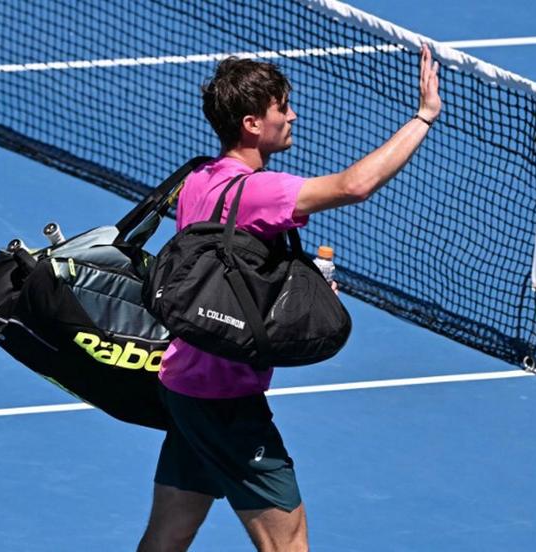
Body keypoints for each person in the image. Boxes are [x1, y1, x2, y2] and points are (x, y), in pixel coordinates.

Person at [137, 43, 441, 552]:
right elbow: (354, 186)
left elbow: (225, 266)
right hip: (226, 397)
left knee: (168, 535)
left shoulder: (199, 181)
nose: (293, 114)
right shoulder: (262, 191)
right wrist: (424, 116)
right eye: (283, 107)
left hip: (185, 382)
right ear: (253, 123)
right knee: (288, 544)